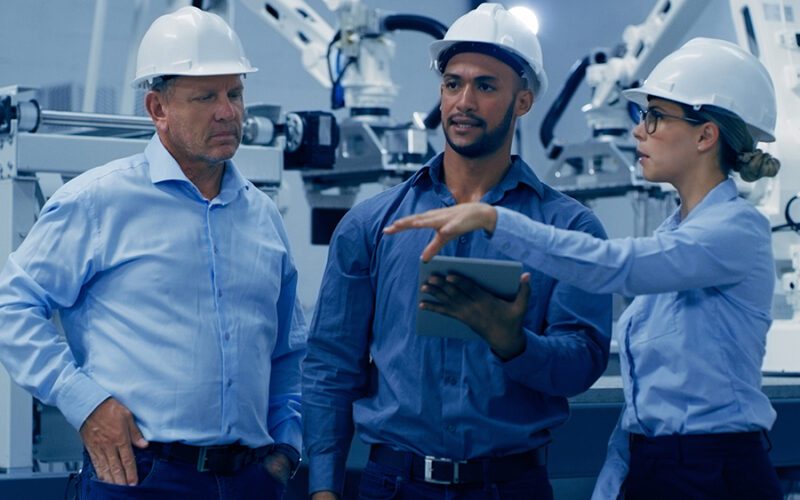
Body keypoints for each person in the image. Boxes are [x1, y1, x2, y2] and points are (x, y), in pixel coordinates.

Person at [385, 37, 784, 499]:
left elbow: (616, 267)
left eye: (654, 117)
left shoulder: (737, 230)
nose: (639, 131)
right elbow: (645, 406)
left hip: (719, 474)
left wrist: (495, 220)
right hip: (657, 467)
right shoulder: (672, 235)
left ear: (705, 135)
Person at [303, 4, 612, 499]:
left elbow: (583, 362)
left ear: (524, 101)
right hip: (394, 486)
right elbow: (330, 365)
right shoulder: (372, 224)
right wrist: (322, 489)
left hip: (509, 486)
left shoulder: (570, 228)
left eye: (486, 86)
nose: (463, 101)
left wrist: (513, 343)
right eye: (452, 83)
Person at [0, 6, 305, 499]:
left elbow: (289, 350)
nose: (227, 111)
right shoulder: (96, 202)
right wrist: (85, 403)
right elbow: (11, 309)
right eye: (205, 96)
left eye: (235, 93)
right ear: (157, 109)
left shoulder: (263, 216)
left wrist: (287, 448)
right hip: (140, 479)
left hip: (252, 480)